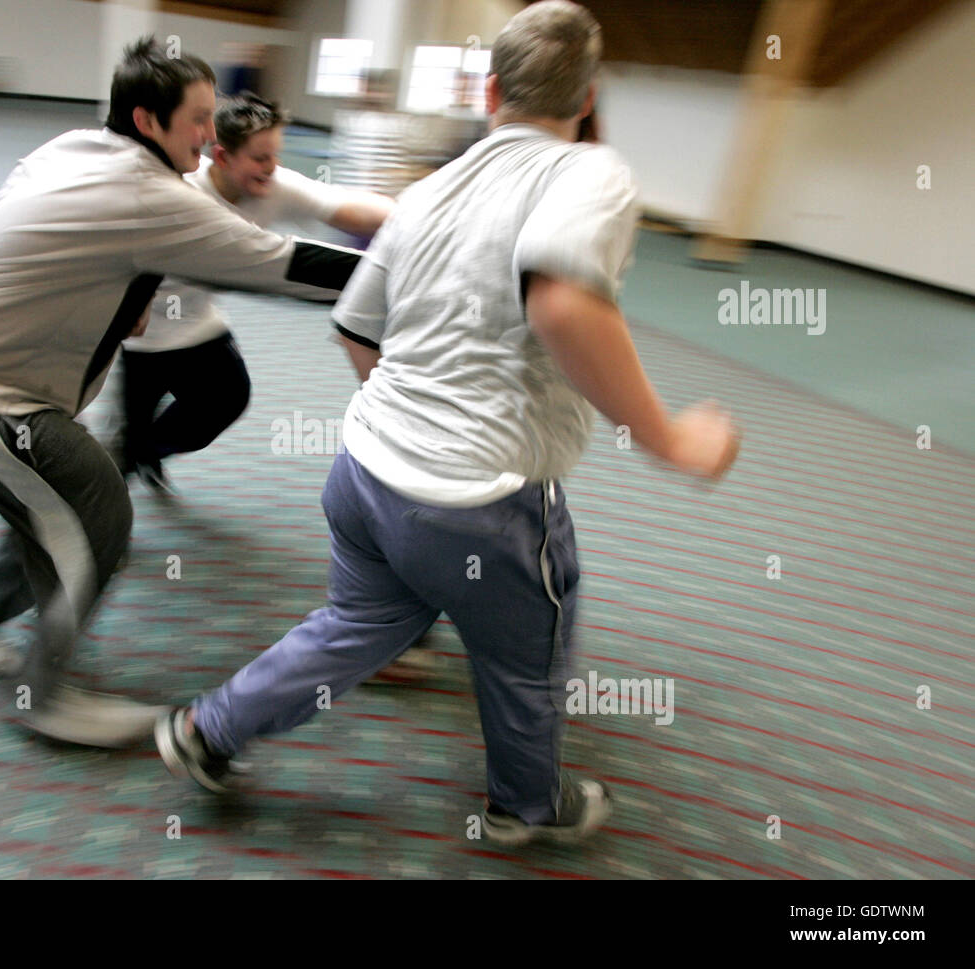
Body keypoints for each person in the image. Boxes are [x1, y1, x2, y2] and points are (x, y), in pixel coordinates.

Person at [155, 0, 741, 846]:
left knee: (355, 624)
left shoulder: (430, 188)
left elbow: (357, 325)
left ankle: (208, 730)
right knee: (527, 653)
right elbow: (567, 303)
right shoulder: (589, 171)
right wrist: (674, 440)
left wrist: (411, 421)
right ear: (587, 97)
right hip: (480, 497)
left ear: (491, 89)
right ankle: (525, 807)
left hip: (362, 473)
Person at [0, 37, 358, 747]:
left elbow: (29, 220)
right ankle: (45, 697)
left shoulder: (71, 148)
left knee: (47, 505)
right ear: (147, 122)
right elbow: (278, 265)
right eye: (198, 119)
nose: (210, 135)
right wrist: (399, 277)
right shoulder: (151, 195)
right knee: (98, 513)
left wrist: (113, 289)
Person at [116, 91, 394, 496]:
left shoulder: (272, 182)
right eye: (260, 159)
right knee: (123, 444)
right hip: (140, 337)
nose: (272, 168)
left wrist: (415, 216)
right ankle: (107, 498)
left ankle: (147, 451)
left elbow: (346, 207)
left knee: (226, 400)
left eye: (275, 156)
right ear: (223, 156)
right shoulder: (182, 194)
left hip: (197, 325)